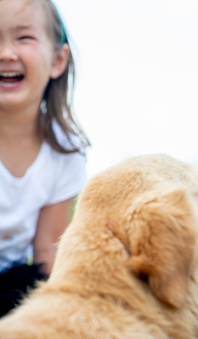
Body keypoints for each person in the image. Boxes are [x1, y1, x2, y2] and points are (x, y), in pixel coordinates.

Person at [0, 0, 89, 317]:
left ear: (58, 60)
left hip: (9, 281)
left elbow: (47, 250)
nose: (6, 53)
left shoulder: (65, 151)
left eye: (23, 38)